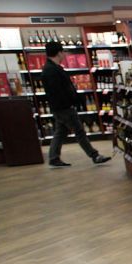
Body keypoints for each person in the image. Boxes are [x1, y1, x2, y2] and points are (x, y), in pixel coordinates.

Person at [41, 40, 110, 168]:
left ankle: (53, 157)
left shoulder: (52, 68)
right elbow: (58, 91)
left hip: (60, 107)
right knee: (79, 131)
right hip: (64, 107)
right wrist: (70, 101)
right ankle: (95, 156)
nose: (65, 55)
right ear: (59, 53)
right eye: (63, 52)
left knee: (60, 132)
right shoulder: (51, 70)